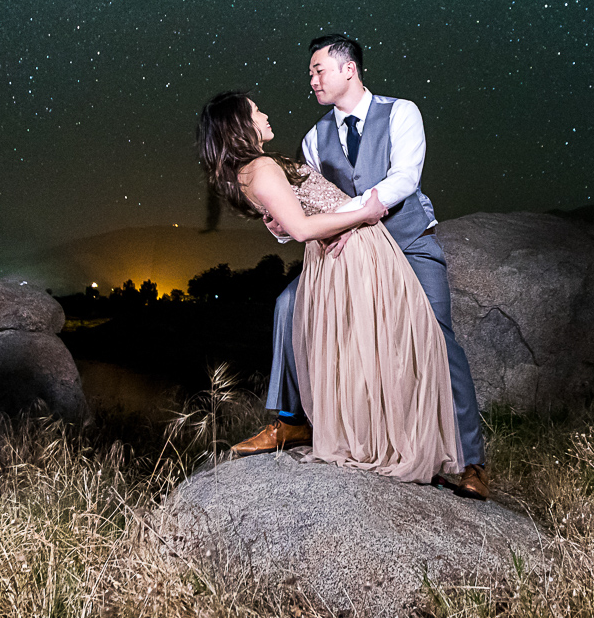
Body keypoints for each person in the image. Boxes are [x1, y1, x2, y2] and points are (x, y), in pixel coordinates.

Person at [231, 34, 491, 501]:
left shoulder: (401, 112)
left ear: (348, 69)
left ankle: (471, 461)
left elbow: (404, 179)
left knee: (436, 332)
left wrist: (355, 214)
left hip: (408, 243)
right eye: (310, 72)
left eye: (317, 70)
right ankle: (292, 422)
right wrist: (281, 227)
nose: (310, 79)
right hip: (350, 257)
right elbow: (309, 210)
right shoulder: (314, 139)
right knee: (289, 305)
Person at [196, 90, 462, 484]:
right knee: (391, 344)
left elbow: (292, 221)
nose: (266, 114)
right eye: (256, 110)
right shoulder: (262, 167)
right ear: (239, 125)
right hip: (353, 251)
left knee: (369, 347)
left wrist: (316, 222)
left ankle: (381, 436)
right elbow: (303, 228)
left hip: (347, 249)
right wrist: (365, 211)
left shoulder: (250, 171)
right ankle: (387, 441)